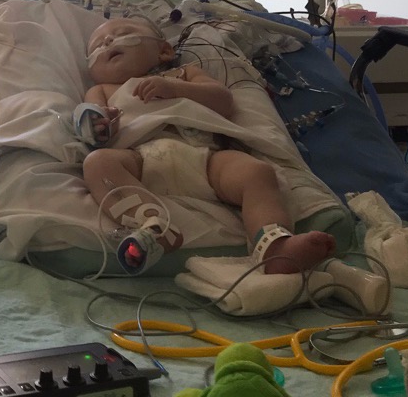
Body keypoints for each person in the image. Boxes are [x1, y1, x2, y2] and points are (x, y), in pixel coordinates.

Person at [81, 16, 335, 274]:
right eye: (97, 46)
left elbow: (223, 100)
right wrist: (102, 125)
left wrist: (176, 88)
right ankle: (153, 226)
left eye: (123, 32)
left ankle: (275, 247)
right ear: (91, 70)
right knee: (98, 163)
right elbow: (90, 126)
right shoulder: (101, 90)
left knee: (258, 173)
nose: (108, 41)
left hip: (204, 157)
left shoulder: (185, 73)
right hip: (139, 160)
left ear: (164, 51)